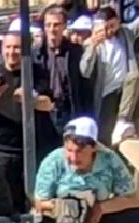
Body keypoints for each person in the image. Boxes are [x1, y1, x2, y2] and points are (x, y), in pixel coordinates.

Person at [0, 31, 58, 211]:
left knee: (33, 198)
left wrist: (31, 99)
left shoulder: (36, 72)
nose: (12, 52)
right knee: (1, 200)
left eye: (17, 47)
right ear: (2, 49)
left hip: (30, 148)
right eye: (8, 47)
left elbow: (49, 104)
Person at [34, 116, 139, 223]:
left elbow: (133, 200)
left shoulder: (109, 160)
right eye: (69, 150)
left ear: (94, 147)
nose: (73, 158)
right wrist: (59, 207)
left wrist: (99, 209)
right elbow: (38, 203)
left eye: (80, 151)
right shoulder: (54, 161)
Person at [80, 4, 139, 145]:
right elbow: (85, 71)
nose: (107, 32)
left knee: (133, 76)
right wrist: (92, 47)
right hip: (106, 94)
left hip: (125, 91)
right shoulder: (93, 43)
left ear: (118, 22)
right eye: (104, 28)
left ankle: (123, 121)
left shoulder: (126, 33)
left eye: (111, 26)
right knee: (104, 138)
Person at [35, 4, 92, 135]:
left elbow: (85, 86)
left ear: (64, 26)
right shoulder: (36, 54)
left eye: (56, 24)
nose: (52, 29)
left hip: (70, 111)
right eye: (48, 25)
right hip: (45, 114)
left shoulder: (76, 52)